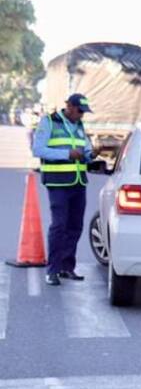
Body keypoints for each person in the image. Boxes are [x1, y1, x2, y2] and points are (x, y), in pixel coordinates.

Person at [32, 94, 94, 286]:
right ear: (69, 106)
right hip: (58, 182)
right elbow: (38, 149)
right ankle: (53, 270)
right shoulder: (49, 122)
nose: (81, 115)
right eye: (79, 111)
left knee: (75, 226)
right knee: (58, 226)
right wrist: (66, 154)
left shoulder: (80, 126)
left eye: (84, 112)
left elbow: (85, 153)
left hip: (78, 182)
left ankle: (67, 267)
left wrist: (92, 154)